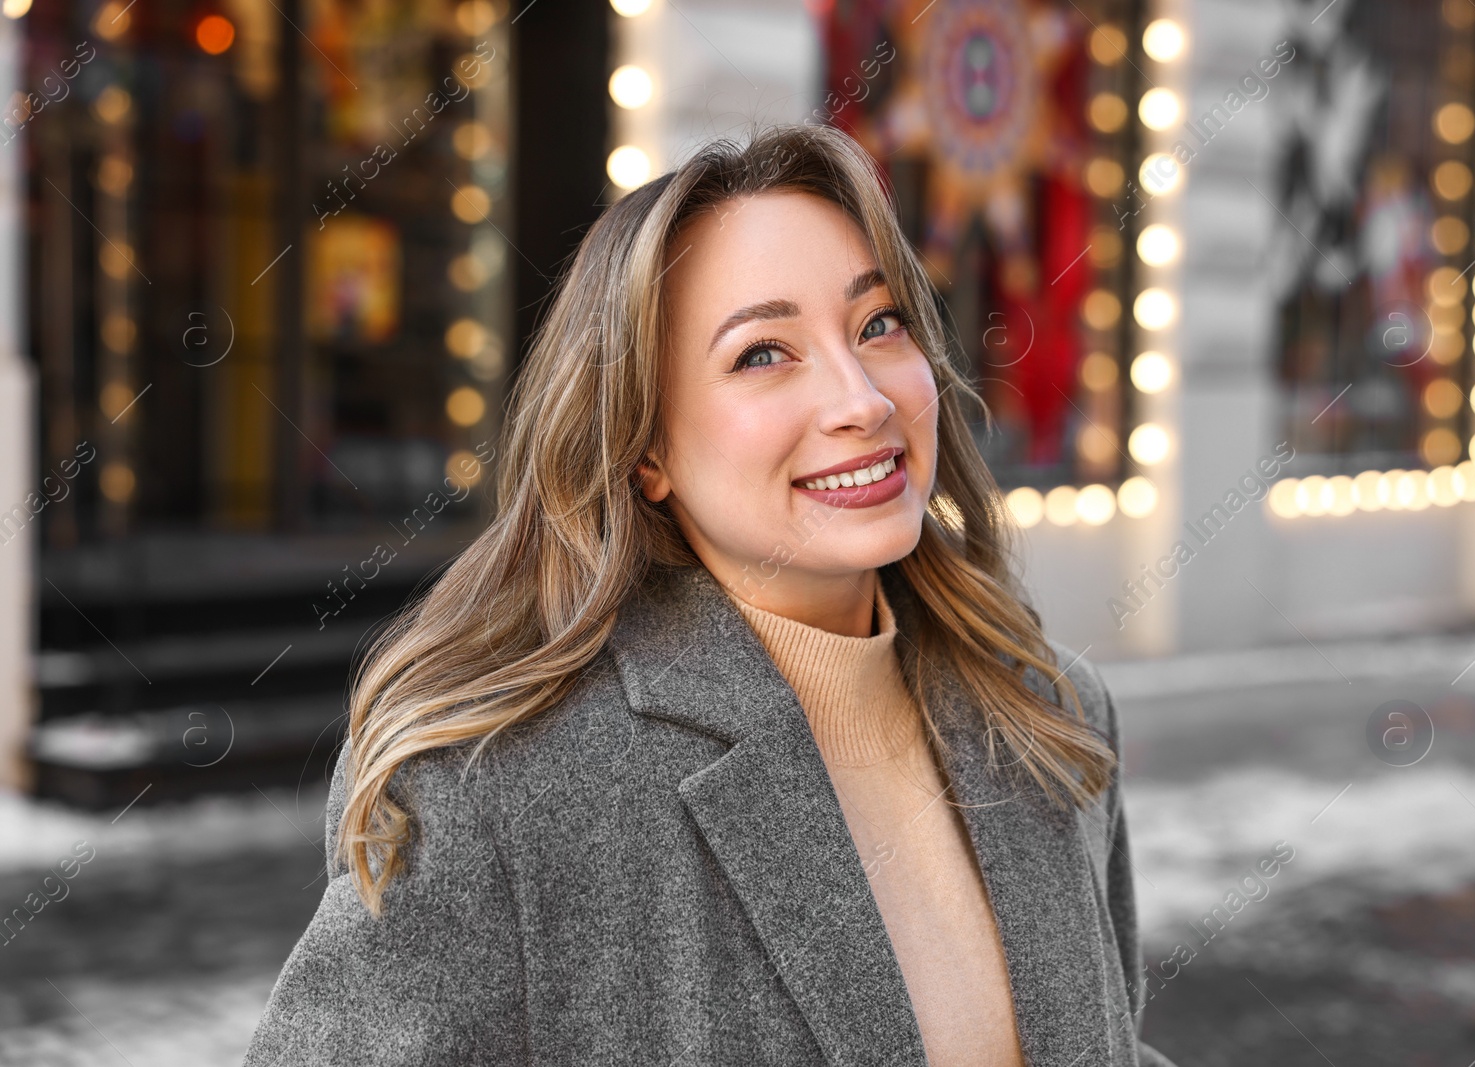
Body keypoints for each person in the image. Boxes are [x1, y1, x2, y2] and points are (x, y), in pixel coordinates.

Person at [244, 123, 1177, 1067]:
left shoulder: (1049, 710)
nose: (861, 398)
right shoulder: (498, 789)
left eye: (878, 323)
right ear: (646, 449)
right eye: (763, 353)